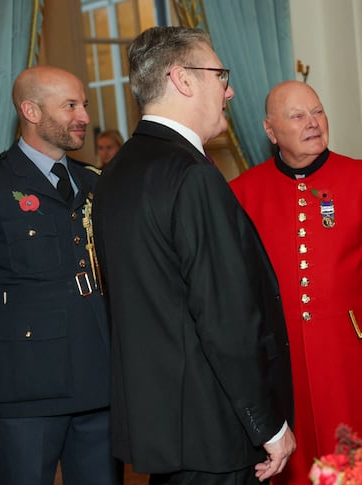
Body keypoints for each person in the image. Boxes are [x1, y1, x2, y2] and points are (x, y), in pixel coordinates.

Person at [92, 26, 296, 484]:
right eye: (220, 75)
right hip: (214, 426)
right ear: (183, 80)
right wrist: (268, 423)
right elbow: (225, 319)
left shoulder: (117, 171)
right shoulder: (191, 175)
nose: (230, 90)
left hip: (161, 425)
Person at [230, 80, 362, 485]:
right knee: (297, 461)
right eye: (297, 116)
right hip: (283, 359)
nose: (313, 123)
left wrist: (356, 322)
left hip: (353, 356)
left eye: (318, 112)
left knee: (361, 458)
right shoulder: (242, 193)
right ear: (271, 131)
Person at [0, 66, 120, 484]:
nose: (83, 115)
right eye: (70, 105)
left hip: (98, 377)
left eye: (83, 103)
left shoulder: (97, 184)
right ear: (30, 110)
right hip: (25, 387)